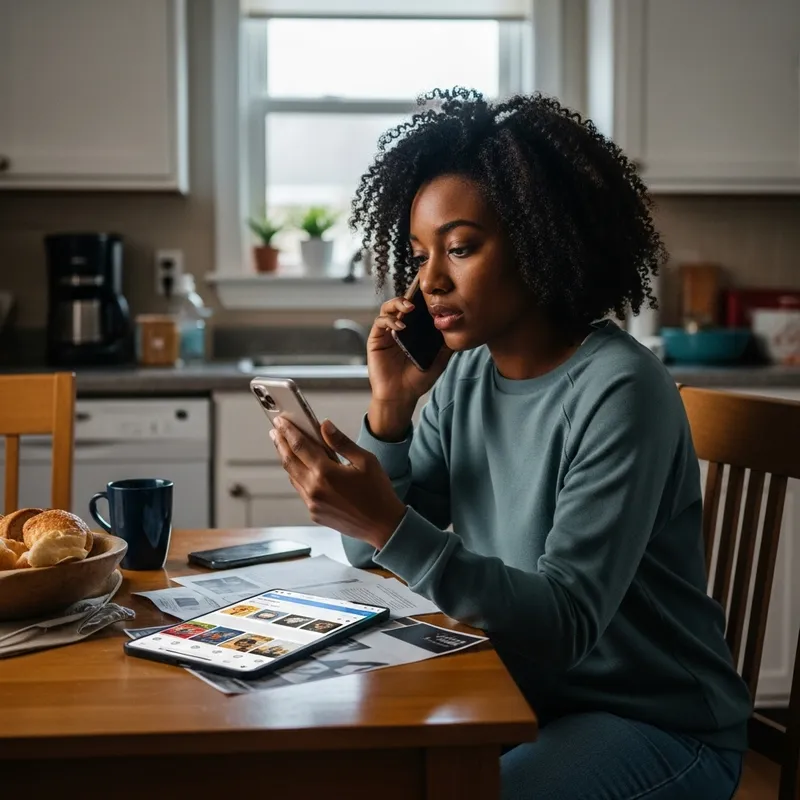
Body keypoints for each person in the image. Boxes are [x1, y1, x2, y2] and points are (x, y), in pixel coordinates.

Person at [269, 88, 750, 799]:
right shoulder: (464, 376)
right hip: (525, 699)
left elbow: (565, 622)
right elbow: (375, 554)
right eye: (420, 253)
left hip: (658, 724)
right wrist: (392, 412)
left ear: (539, 236)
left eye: (459, 248)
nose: (429, 280)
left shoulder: (621, 390)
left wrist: (387, 521)